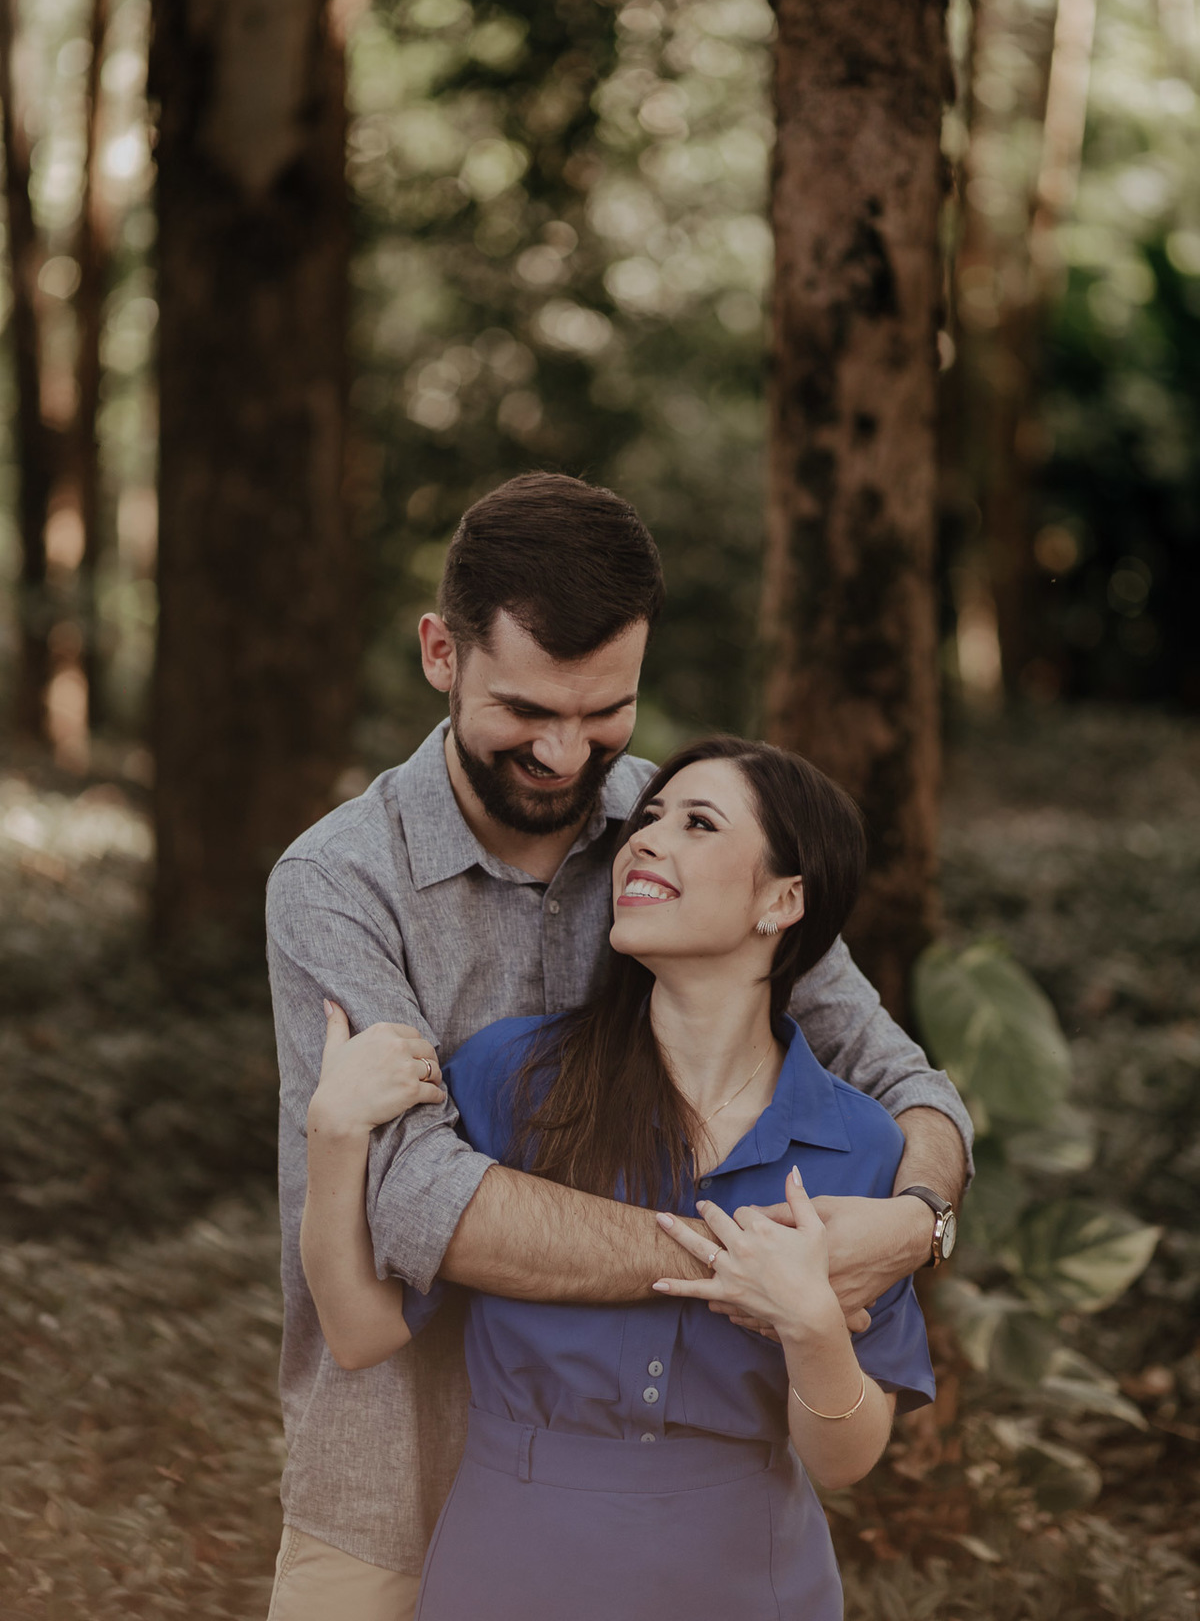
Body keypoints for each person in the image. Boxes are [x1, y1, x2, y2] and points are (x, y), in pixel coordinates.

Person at [266, 473, 970, 1620]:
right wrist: (756, 1266)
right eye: (529, 710)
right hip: (388, 1477)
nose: (565, 753)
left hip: (698, 1536)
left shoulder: (678, 825)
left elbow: (898, 1076)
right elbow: (416, 1199)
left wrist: (917, 1216)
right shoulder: (338, 884)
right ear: (442, 652)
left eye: (604, 712)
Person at [301, 735, 936, 1619]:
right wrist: (333, 1136)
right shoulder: (509, 1078)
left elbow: (843, 1461)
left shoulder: (860, 1145)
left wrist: (811, 1325)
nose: (643, 838)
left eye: (698, 822)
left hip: (753, 1582)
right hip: (509, 1574)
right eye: (647, 818)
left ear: (783, 900)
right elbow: (360, 1330)